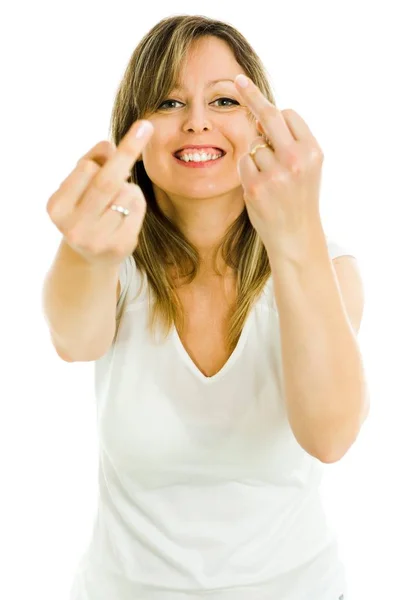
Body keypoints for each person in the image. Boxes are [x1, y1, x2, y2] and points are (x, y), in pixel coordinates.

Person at [42, 14, 367, 600]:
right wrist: (83, 254)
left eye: (223, 100)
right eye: (168, 103)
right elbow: (73, 337)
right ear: (134, 129)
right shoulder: (119, 264)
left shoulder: (327, 266)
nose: (196, 122)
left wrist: (297, 237)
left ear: (259, 123)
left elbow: (330, 436)